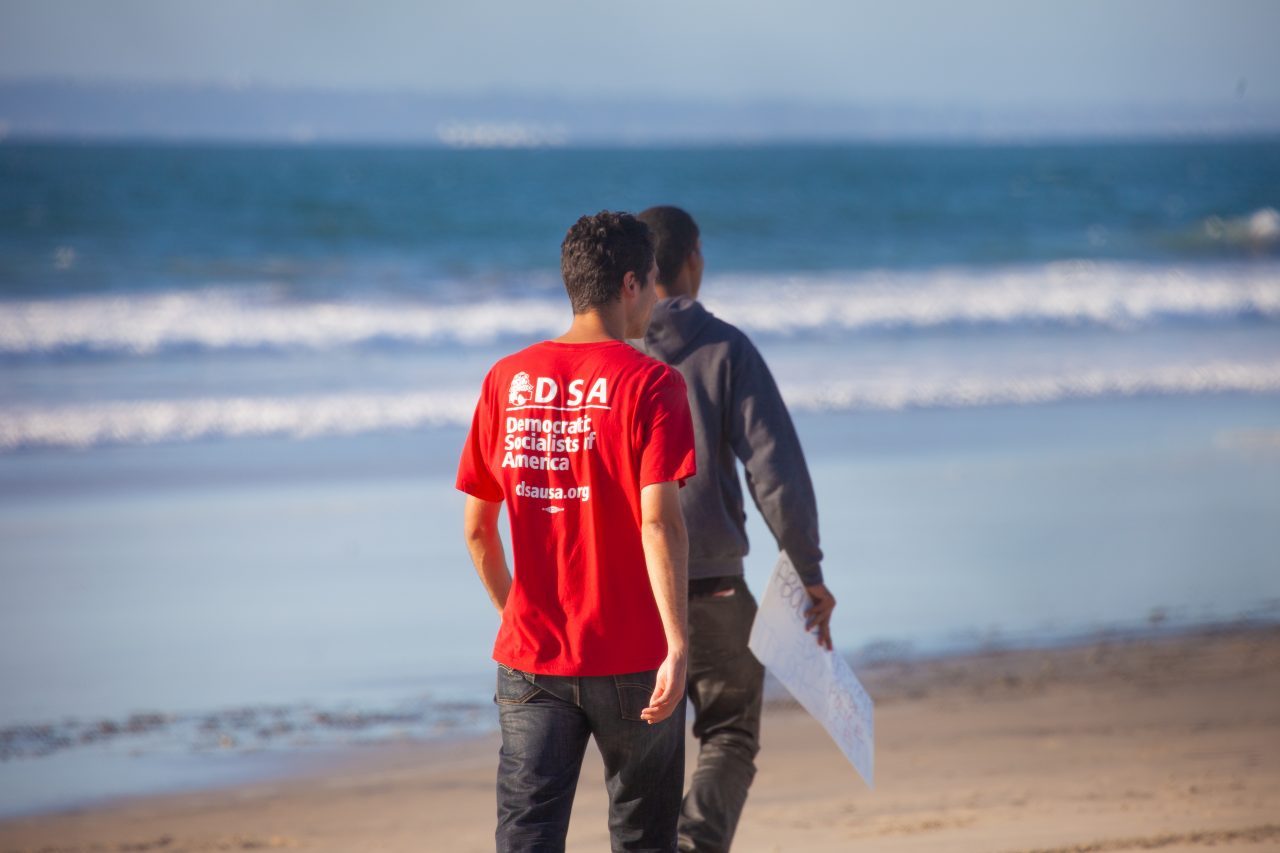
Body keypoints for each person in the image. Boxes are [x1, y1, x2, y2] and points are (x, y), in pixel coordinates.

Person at [456, 210, 697, 853]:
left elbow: (479, 530)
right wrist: (677, 643)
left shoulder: (506, 379)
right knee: (644, 837)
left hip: (532, 654)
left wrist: (520, 615)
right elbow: (659, 520)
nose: (653, 295)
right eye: (650, 281)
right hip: (632, 653)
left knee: (527, 835)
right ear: (628, 284)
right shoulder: (652, 383)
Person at [637, 205, 837, 853]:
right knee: (728, 734)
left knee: (646, 746)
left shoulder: (609, 356)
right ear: (692, 259)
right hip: (715, 582)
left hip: (633, 589)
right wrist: (807, 571)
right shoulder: (726, 347)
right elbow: (774, 468)